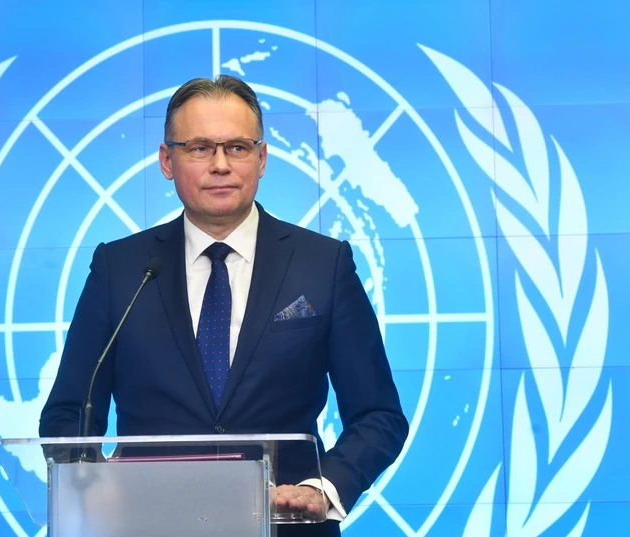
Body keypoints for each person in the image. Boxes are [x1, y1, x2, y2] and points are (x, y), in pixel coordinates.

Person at [40, 75, 408, 536]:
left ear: (262, 158)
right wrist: (89, 480)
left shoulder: (323, 264)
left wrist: (322, 488)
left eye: (237, 147)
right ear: (167, 161)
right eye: (199, 148)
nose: (220, 165)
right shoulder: (121, 269)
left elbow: (378, 415)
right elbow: (69, 412)